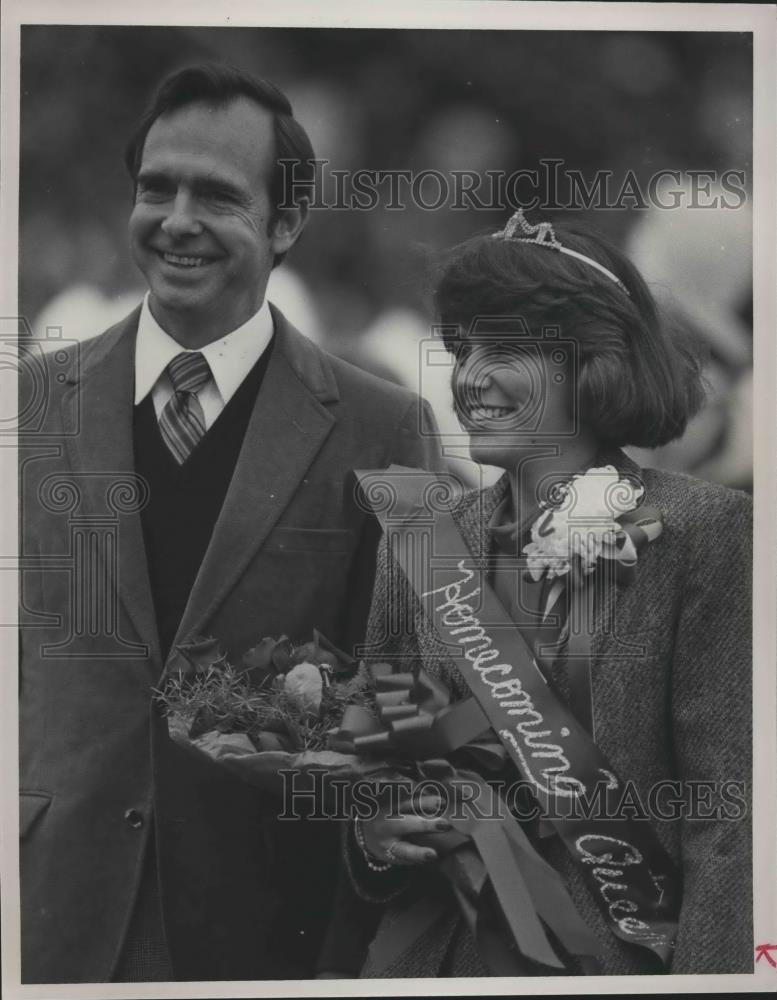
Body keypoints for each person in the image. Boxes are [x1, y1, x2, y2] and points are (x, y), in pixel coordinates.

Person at [18, 63, 442, 983]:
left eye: (216, 195)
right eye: (155, 188)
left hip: (274, 919)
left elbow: (414, 684)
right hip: (55, 913)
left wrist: (372, 815)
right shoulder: (32, 405)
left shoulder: (385, 426)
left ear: (285, 222)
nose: (175, 221)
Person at [344, 211, 753, 976]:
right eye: (463, 349)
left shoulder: (705, 535)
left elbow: (727, 824)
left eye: (505, 350)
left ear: (590, 363)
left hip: (614, 965)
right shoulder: (417, 541)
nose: (467, 378)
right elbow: (377, 767)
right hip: (436, 960)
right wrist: (375, 834)